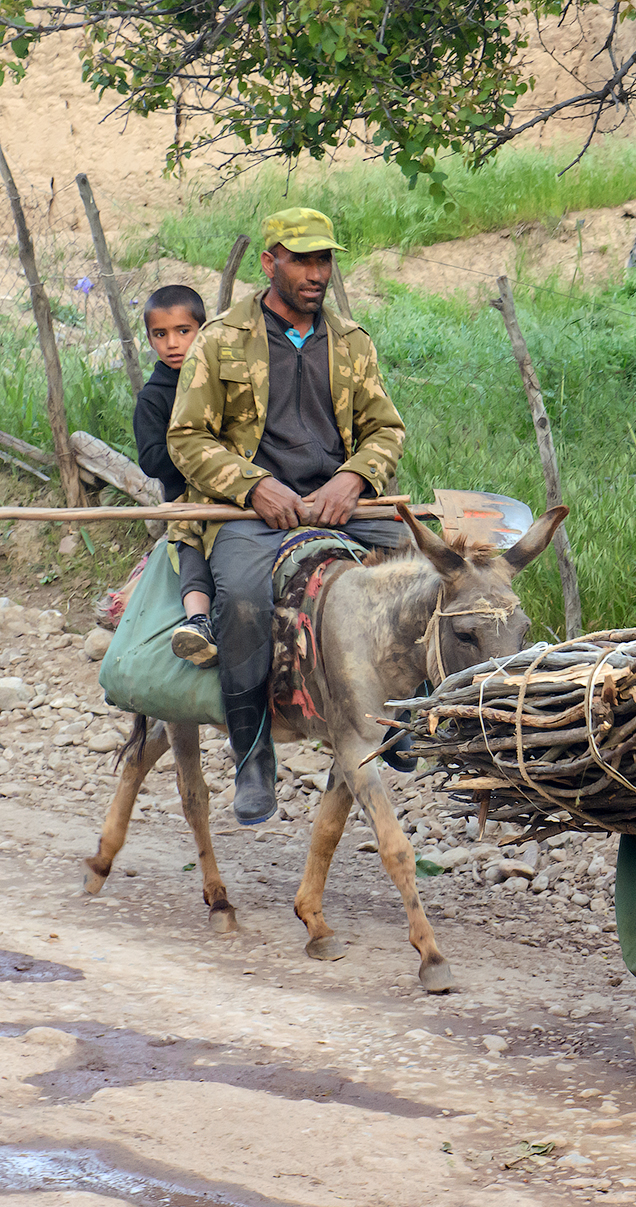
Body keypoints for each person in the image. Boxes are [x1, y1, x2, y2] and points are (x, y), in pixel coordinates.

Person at [165, 207, 409, 826]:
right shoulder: (220, 340)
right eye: (301, 261)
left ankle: (407, 714)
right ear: (269, 263)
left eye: (323, 259)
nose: (316, 273)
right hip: (249, 513)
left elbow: (385, 430)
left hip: (339, 506)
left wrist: (354, 479)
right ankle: (251, 754)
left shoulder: (351, 342)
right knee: (244, 600)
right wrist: (254, 487)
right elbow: (187, 437)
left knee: (423, 566)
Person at [129, 284, 222, 668]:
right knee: (189, 539)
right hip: (187, 499)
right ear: (149, 339)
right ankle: (198, 620)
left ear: (203, 329)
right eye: (160, 334)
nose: (172, 343)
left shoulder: (221, 380)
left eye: (183, 331)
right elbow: (152, 459)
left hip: (234, 489)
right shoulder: (154, 398)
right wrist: (200, 452)